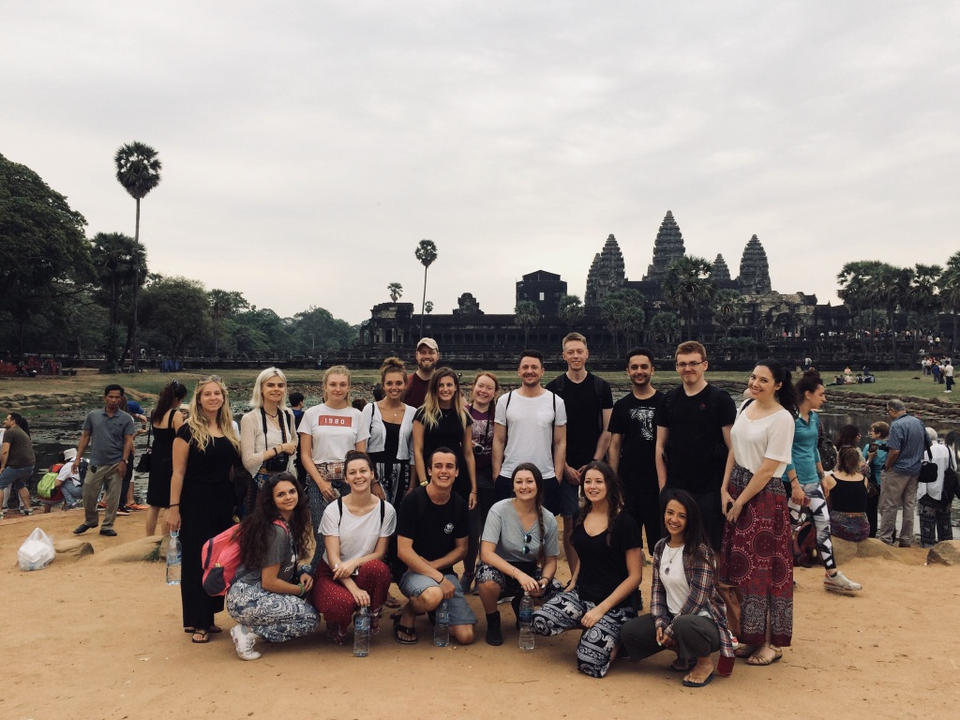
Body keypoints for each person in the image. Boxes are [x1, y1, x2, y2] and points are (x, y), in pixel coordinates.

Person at [531, 461, 643, 678]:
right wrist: (573, 582)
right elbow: (586, 552)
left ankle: (618, 642)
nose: (593, 486)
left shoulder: (626, 522)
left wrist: (601, 609)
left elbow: (635, 577)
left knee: (589, 663)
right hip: (583, 595)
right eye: (588, 482)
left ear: (609, 485)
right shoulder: (583, 516)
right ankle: (592, 628)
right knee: (540, 621)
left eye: (598, 482)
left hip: (615, 605)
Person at [719, 359, 796, 667]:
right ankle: (749, 637)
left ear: (777, 385)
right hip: (736, 488)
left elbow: (767, 469)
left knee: (762, 572)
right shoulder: (745, 406)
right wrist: (724, 489)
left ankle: (769, 643)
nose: (755, 383)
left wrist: (740, 502)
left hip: (764, 499)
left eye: (764, 380)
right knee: (738, 568)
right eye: (753, 377)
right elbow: (734, 449)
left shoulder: (782, 419)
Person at [619, 490, 736, 687]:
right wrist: (660, 622)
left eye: (682, 515)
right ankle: (684, 654)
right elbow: (657, 592)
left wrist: (671, 628)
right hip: (674, 618)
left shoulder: (700, 551)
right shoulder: (660, 547)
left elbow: (697, 600)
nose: (674, 519)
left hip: (704, 623)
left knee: (683, 624)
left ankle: (704, 663)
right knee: (629, 631)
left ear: (691, 519)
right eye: (670, 513)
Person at [166, 376, 242, 644]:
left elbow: (233, 470)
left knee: (218, 559)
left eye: (217, 394)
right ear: (198, 399)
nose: (213, 398)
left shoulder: (229, 429)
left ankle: (209, 617)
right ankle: (196, 621)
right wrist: (173, 508)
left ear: (223, 397)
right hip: (194, 500)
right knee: (196, 560)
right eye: (207, 394)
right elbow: (177, 473)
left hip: (222, 500)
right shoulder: (187, 431)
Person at [226, 472, 319, 661]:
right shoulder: (277, 531)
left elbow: (286, 563)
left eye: (292, 491)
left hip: (250, 594)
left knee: (305, 604)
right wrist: (299, 590)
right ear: (271, 499)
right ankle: (248, 632)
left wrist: (301, 571)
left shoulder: (286, 522)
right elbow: (269, 582)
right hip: (247, 598)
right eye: (281, 494)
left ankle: (253, 628)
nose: (288, 497)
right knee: (310, 619)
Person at [785, 371, 862, 594]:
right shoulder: (790, 418)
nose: (824, 398)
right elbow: (786, 452)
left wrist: (821, 477)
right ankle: (784, 574)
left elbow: (814, 448)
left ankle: (832, 573)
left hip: (811, 480)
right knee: (788, 529)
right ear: (808, 394)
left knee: (823, 525)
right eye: (821, 394)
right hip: (793, 483)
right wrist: (795, 484)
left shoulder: (814, 417)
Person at [656, 341, 736, 550]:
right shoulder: (669, 401)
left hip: (709, 489)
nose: (687, 368)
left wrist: (723, 488)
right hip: (676, 488)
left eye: (693, 363)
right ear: (676, 367)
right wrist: (664, 488)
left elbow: (733, 448)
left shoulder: (720, 399)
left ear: (705, 365)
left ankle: (712, 584)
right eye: (682, 364)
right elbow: (660, 447)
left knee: (709, 547)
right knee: (674, 546)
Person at [311, 451, 397, 644]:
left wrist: (355, 562)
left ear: (372, 474)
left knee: (379, 569)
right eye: (352, 473)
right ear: (346, 479)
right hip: (333, 572)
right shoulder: (334, 509)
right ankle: (337, 623)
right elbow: (333, 558)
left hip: (363, 569)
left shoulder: (386, 510)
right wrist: (352, 587)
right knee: (343, 604)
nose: (358, 476)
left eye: (363, 471)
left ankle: (367, 615)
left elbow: (380, 553)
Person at [546, 333, 614, 579]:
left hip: (594, 464)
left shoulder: (600, 387)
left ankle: (598, 574)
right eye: (570, 352)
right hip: (565, 464)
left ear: (587, 354)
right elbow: (549, 433)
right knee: (571, 523)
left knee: (600, 520)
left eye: (579, 351)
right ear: (564, 355)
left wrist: (595, 462)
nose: (575, 356)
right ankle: (576, 578)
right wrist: (563, 466)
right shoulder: (554, 388)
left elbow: (607, 429)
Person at [394, 448, 476, 645]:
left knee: (466, 636)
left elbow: (462, 549)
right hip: (411, 571)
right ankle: (408, 613)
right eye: (438, 466)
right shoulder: (413, 501)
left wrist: (435, 567)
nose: (444, 471)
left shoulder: (459, 504)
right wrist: (436, 576)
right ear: (429, 471)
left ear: (457, 472)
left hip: (441, 572)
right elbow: (403, 551)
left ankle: (434, 609)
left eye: (449, 466)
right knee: (433, 594)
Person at [477, 463, 560, 646]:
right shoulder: (498, 510)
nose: (524, 486)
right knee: (487, 580)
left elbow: (551, 560)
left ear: (538, 485)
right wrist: (519, 575)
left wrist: (544, 581)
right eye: (519, 482)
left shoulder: (548, 518)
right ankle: (493, 621)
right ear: (513, 486)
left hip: (529, 570)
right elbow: (486, 554)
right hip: (499, 567)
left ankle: (522, 604)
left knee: (557, 595)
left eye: (529, 481)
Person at [412, 368, 478, 581]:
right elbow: (418, 450)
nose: (445, 389)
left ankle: (456, 571)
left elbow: (468, 453)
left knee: (458, 524)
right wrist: (423, 482)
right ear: (434, 388)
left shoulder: (463, 415)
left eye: (449, 385)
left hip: (457, 476)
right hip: (431, 475)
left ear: (456, 388)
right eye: (441, 385)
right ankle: (427, 569)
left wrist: (474, 487)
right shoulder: (423, 414)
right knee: (430, 524)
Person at [298, 365, 366, 568]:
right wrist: (320, 483)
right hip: (320, 482)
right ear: (325, 387)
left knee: (348, 534)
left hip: (349, 482)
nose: (338, 389)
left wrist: (354, 479)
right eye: (333, 384)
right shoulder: (312, 414)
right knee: (322, 534)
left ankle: (345, 579)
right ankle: (318, 581)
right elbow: (305, 454)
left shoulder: (356, 415)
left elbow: (361, 454)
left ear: (349, 387)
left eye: (342, 385)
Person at [492, 350, 567, 516]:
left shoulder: (556, 402)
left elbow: (560, 442)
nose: (529, 371)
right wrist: (497, 473)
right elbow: (498, 439)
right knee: (509, 529)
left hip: (545, 475)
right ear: (519, 371)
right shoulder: (505, 401)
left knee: (544, 529)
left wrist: (557, 475)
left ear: (542, 371)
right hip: (509, 474)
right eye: (525, 367)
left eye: (534, 367)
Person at [608, 347, 664, 553]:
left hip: (656, 484)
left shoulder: (665, 403)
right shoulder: (622, 405)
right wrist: (613, 483)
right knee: (627, 543)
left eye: (643, 367)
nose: (639, 371)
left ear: (652, 370)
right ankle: (630, 585)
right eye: (634, 367)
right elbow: (614, 445)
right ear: (627, 371)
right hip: (628, 484)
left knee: (659, 543)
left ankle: (662, 585)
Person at [72, 385, 136, 537]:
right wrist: (77, 458)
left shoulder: (126, 418)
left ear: (121, 399)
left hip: (116, 463)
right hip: (96, 462)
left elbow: (128, 441)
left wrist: (124, 461)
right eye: (111, 397)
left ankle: (107, 525)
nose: (114, 400)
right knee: (88, 492)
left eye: (117, 397)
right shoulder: (93, 416)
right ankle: (90, 520)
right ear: (105, 397)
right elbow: (86, 436)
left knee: (113, 498)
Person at [358, 357, 417, 509]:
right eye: (389, 383)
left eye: (399, 383)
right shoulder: (370, 410)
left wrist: (411, 486)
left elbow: (413, 452)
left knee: (398, 521)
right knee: (375, 517)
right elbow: (362, 449)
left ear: (405, 385)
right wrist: (372, 481)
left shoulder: (412, 413)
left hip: (402, 475)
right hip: (375, 471)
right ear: (383, 386)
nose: (394, 388)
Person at [240, 368, 298, 517]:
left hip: (285, 480)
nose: (276, 389)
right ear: (261, 388)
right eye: (270, 385)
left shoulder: (287, 414)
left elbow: (294, 441)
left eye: (280, 385)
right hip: (261, 482)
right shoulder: (250, 419)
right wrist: (280, 449)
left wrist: (288, 449)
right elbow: (248, 461)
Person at [465, 371, 500, 590]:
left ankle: (483, 571)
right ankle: (468, 571)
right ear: (473, 387)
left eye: (489, 388)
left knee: (490, 531)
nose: (483, 391)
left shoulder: (499, 415)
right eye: (480, 386)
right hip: (468, 479)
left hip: (490, 477)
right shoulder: (463, 412)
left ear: (495, 392)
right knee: (470, 529)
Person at [878, 399, 926, 547]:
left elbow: (894, 450)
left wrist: (887, 466)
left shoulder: (897, 425)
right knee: (909, 505)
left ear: (892, 410)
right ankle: (906, 539)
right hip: (915, 469)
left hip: (898, 470)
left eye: (888, 411)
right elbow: (927, 443)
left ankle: (885, 539)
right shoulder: (918, 422)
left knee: (890, 504)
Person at [145, 380, 187, 536]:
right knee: (169, 503)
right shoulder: (175, 415)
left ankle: (149, 538)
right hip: (171, 458)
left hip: (156, 457)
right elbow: (182, 435)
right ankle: (164, 539)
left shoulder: (153, 412)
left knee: (154, 504)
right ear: (177, 400)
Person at [823, 447, 871, 542]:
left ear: (839, 460)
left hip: (840, 529)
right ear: (857, 461)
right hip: (862, 530)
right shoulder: (864, 479)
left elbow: (828, 504)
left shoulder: (831, 479)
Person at [917, 428, 954, 547]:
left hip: (927, 491)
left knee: (927, 524)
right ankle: (947, 547)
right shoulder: (948, 449)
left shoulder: (925, 451)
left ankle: (927, 548)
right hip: (946, 491)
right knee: (945, 522)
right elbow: (954, 468)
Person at [1, 412, 36, 518]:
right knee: (21, 485)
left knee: (0, 484)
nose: (4, 421)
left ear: (13, 421)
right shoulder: (22, 432)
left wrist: (2, 466)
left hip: (17, 466)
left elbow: (4, 451)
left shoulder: (10, 432)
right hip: (29, 465)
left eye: (7, 419)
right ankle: (28, 508)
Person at [863, 421, 889, 538]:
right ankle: (889, 534)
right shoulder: (891, 447)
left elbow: (863, 464)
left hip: (873, 482)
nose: (871, 433)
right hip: (887, 480)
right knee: (888, 509)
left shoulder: (870, 447)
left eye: (872, 431)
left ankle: (871, 533)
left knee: (871, 510)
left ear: (878, 434)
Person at [404, 337, 439, 411]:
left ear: (437, 356)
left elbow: (464, 408)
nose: (427, 356)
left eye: (431, 352)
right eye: (423, 352)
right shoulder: (406, 384)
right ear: (416, 355)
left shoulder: (444, 384)